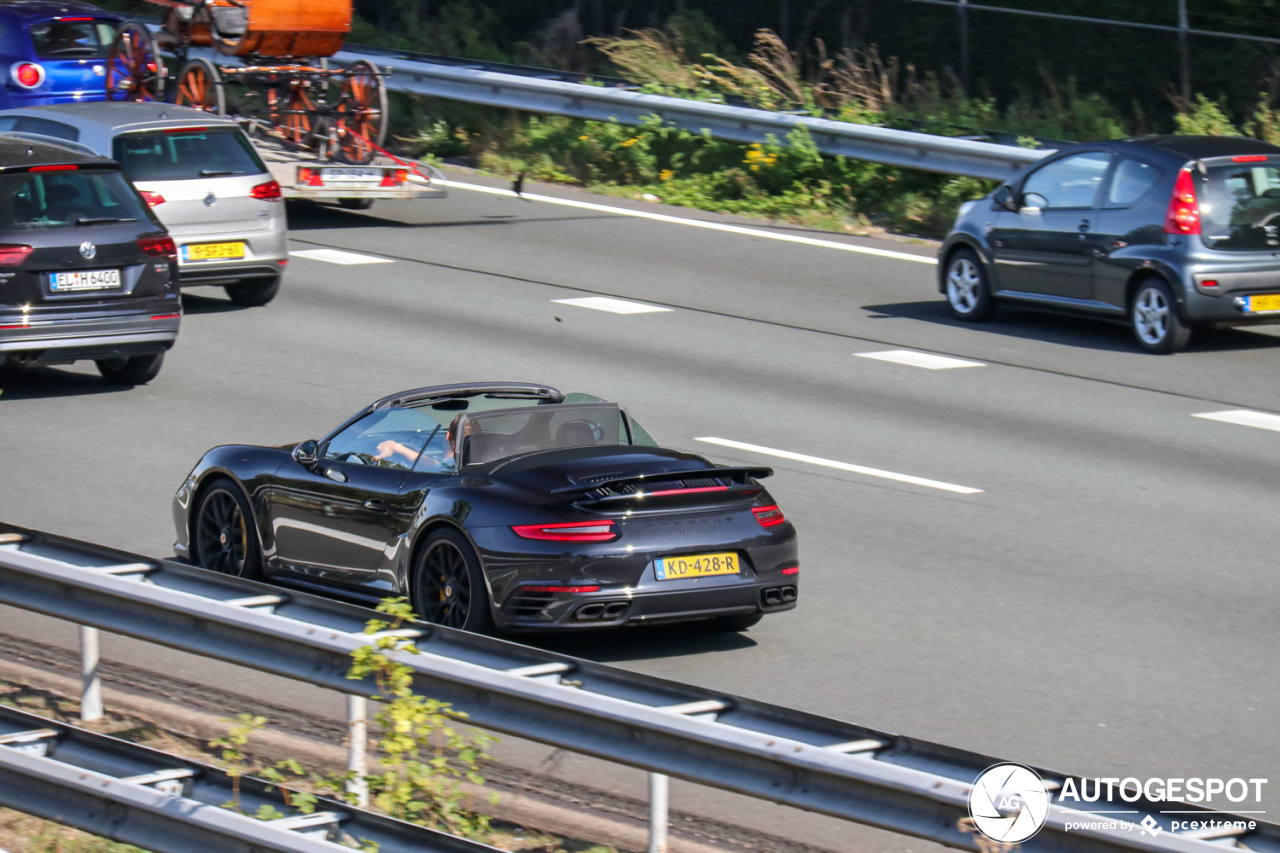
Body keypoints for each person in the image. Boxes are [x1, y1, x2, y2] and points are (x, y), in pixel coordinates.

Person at [374, 415, 475, 468]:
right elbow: (436, 465)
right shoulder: (480, 465)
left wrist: (396, 447)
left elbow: (437, 467)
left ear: (447, 436)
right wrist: (399, 448)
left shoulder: (448, 471)